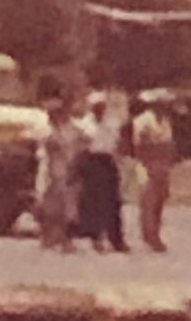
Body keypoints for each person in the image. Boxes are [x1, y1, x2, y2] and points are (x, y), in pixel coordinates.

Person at [76, 91, 128, 252]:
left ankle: (116, 239)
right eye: (96, 107)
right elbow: (81, 146)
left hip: (107, 161)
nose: (99, 109)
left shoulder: (113, 123)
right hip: (91, 162)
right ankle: (95, 237)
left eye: (102, 106)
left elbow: (118, 145)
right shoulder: (84, 124)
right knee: (93, 202)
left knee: (113, 202)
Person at [37, 99, 84, 252]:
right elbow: (45, 150)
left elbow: (80, 147)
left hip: (69, 172)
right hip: (53, 172)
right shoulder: (47, 130)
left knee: (68, 209)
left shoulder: (73, 130)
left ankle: (65, 240)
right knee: (52, 208)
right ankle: (51, 237)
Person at [132, 97, 176, 253]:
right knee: (149, 202)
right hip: (147, 165)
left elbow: (169, 144)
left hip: (163, 165)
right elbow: (141, 146)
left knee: (160, 202)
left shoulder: (165, 121)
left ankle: (155, 232)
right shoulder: (142, 121)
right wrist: (150, 165)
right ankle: (149, 235)